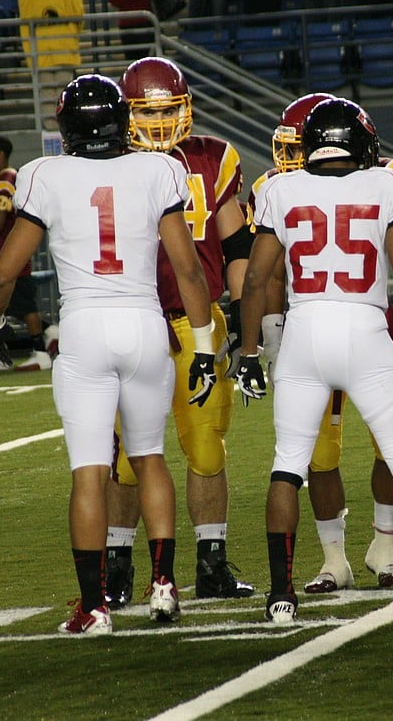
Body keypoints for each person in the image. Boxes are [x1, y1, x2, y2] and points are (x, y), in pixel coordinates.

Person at [235, 96, 393, 622]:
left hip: (304, 334)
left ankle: (280, 596)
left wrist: (252, 351)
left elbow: (256, 279)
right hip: (366, 330)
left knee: (287, 464)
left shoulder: (279, 189)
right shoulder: (388, 183)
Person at [0, 74, 217, 634]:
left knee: (90, 471)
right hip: (143, 323)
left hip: (85, 326)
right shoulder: (158, 169)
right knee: (149, 456)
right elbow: (187, 269)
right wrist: (205, 343)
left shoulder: (44, 174)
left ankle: (95, 608)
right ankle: (163, 586)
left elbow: (4, 273)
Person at [101, 57, 255, 607]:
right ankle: (117, 567)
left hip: (197, 321)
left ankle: (210, 563)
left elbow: (236, 244)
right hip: (136, 318)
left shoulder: (214, 158)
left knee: (206, 447)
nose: (162, 122)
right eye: (149, 111)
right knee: (125, 454)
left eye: (170, 110)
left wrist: (242, 318)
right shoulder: (107, 160)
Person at [245, 92, 393, 593]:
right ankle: (333, 558)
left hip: (366, 325)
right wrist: (272, 334)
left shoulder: (387, 178)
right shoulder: (275, 188)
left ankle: (385, 547)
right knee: (320, 453)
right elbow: (272, 273)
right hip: (307, 327)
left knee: (390, 446)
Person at [0, 135, 59, 372]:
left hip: (12, 249)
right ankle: (50, 331)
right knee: (14, 304)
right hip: (19, 246)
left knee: (21, 303)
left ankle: (40, 350)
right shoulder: (15, 177)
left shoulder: (2, 182)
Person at [18, 0, 83, 129]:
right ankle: (67, 130)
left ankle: (51, 133)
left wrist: (30, 55)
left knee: (46, 95)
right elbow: (79, 16)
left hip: (39, 51)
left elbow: (25, 26)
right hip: (65, 49)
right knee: (65, 93)